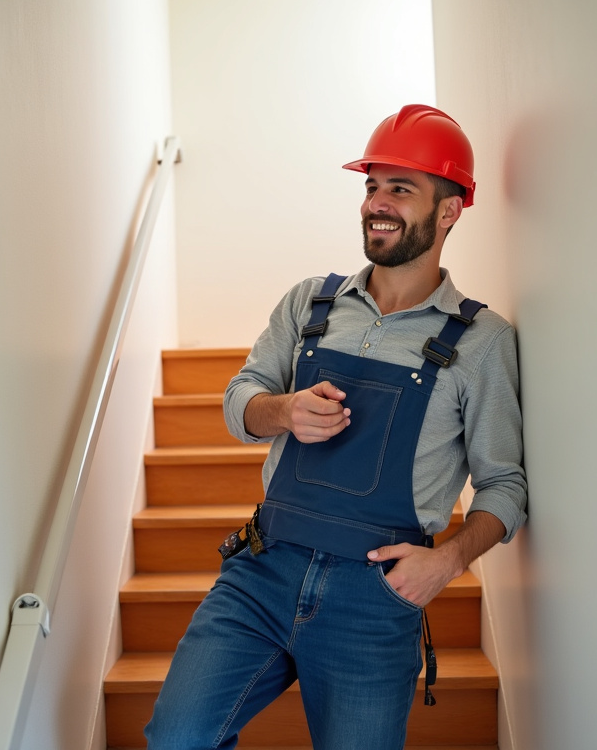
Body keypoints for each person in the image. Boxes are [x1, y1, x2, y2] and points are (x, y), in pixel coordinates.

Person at [144, 104, 527, 750]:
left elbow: (505, 485)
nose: (376, 202)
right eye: (371, 185)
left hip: (373, 601)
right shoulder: (310, 303)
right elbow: (241, 399)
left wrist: (449, 562)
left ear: (449, 210)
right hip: (262, 571)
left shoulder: (480, 342)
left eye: (399, 189)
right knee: (178, 738)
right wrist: (282, 410)